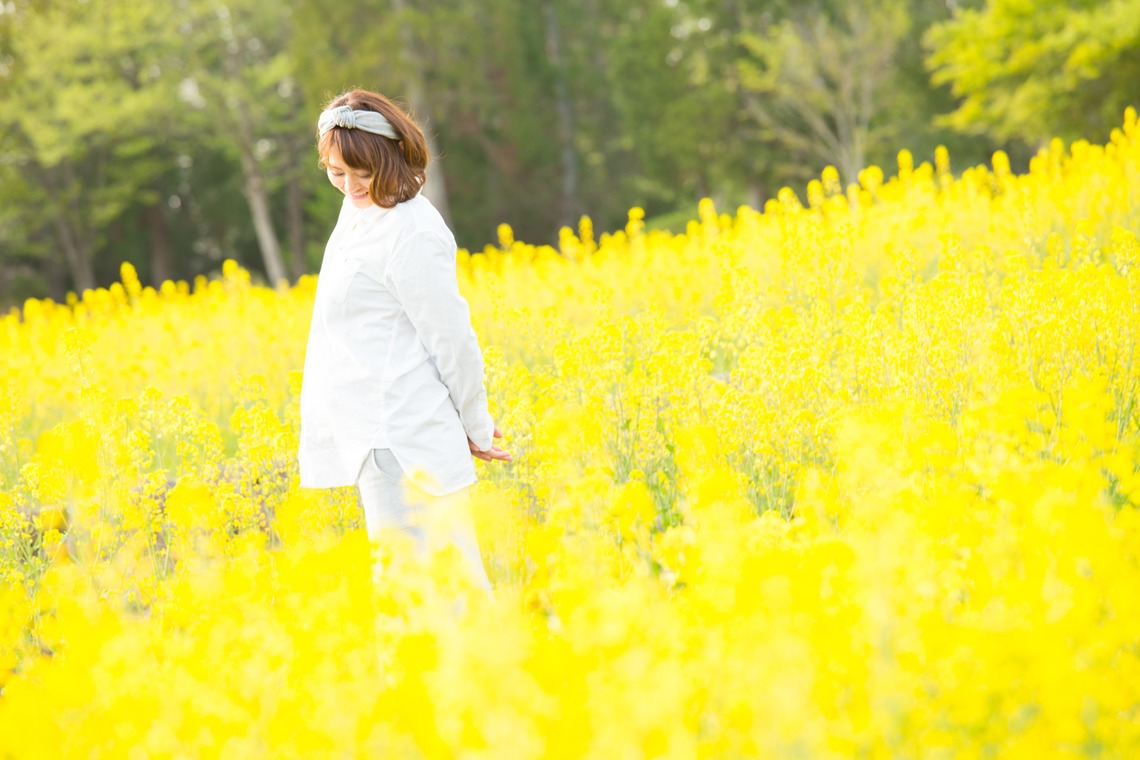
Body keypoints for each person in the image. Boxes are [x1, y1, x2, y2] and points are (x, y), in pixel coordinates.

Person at [297, 89, 511, 595]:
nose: (349, 186)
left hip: (403, 436)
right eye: (336, 173)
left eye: (361, 173)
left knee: (429, 599)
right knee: (417, 596)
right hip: (378, 437)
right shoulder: (360, 213)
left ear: (390, 156)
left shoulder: (411, 230)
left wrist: (476, 425)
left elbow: (451, 339)